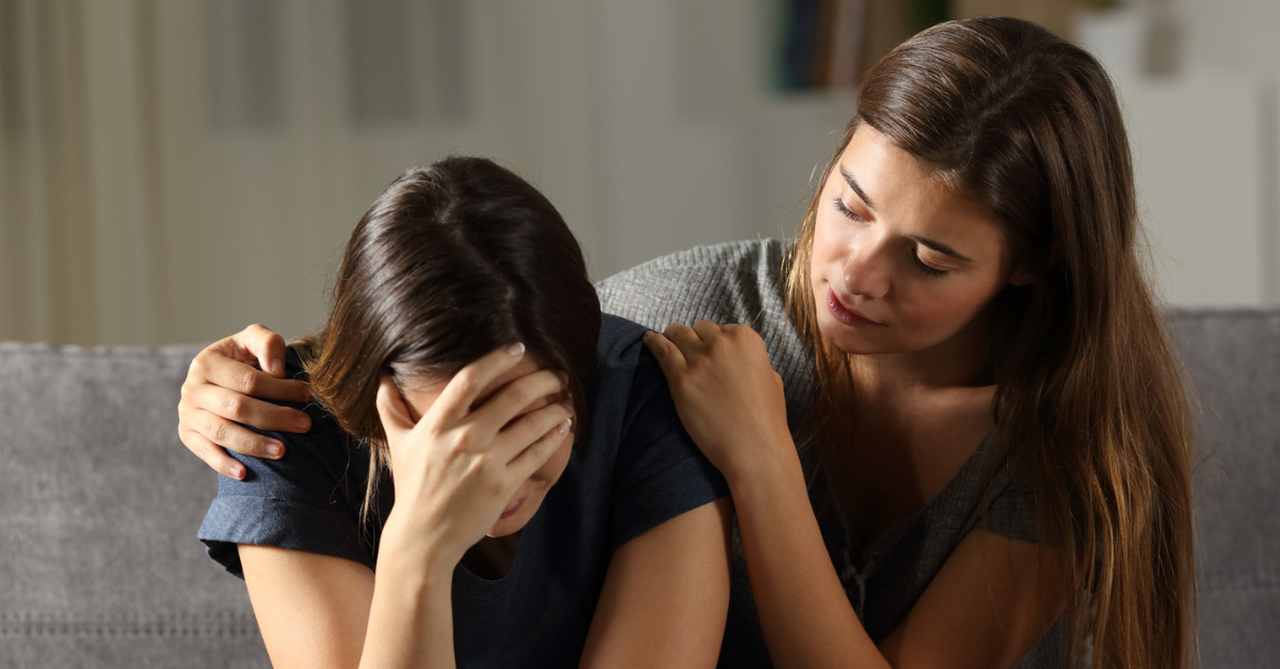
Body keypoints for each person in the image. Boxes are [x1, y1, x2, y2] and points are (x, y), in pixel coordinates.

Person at [179, 18, 1196, 669]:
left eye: (928, 259)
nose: (853, 271)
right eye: (847, 204)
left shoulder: (1072, 445)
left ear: (1029, 265)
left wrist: (756, 457)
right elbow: (485, 321)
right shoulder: (681, 316)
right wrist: (238, 381)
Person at [191, 156, 734, 668]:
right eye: (450, 433)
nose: (495, 476)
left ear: (580, 372)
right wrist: (419, 549)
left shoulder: (646, 398)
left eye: (527, 424)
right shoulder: (280, 424)